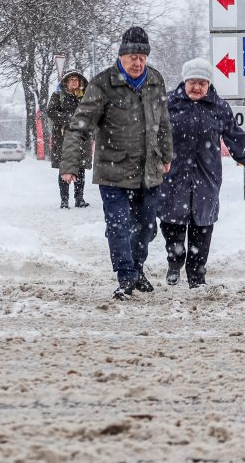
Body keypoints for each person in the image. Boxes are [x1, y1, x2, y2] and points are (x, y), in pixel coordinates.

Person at [60, 26, 173, 300]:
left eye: (142, 56)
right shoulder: (103, 84)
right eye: (132, 56)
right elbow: (79, 127)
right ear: (121, 56)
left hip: (149, 170)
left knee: (147, 226)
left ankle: (137, 267)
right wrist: (70, 164)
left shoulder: (155, 80)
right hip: (113, 170)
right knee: (119, 226)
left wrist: (167, 155)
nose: (137, 62)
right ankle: (125, 276)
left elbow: (164, 123)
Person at [157, 58, 245, 288]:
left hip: (206, 179)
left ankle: (197, 277)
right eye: (192, 82)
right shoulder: (168, 103)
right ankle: (175, 260)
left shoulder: (219, 107)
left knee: (203, 227)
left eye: (202, 83)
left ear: (209, 84)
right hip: (173, 177)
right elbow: (151, 135)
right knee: (172, 225)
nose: (197, 88)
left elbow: (237, 139)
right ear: (184, 81)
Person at [45, 70, 91, 209]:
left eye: (76, 79)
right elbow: (51, 112)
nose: (74, 82)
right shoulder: (58, 96)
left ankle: (79, 199)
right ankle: (64, 200)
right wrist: (70, 119)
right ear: (66, 82)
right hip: (63, 137)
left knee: (80, 168)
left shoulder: (86, 97)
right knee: (64, 168)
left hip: (82, 137)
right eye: (71, 79)